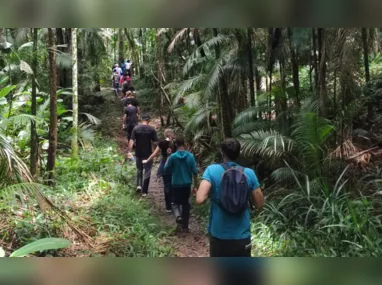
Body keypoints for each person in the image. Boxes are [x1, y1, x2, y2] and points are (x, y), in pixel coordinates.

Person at [195, 138, 264, 257]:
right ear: (238, 153)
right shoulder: (249, 173)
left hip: (218, 234)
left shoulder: (212, 170)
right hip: (242, 235)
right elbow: (259, 203)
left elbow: (200, 199)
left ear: (222, 152)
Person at [164, 137, 198, 233]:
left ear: (175, 145)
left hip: (176, 184)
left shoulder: (173, 157)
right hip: (187, 184)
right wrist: (195, 186)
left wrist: (168, 156)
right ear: (185, 144)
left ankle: (178, 216)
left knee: (175, 203)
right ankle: (185, 227)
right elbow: (195, 172)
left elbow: (166, 169)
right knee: (185, 204)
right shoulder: (190, 156)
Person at [143, 129, 177, 213]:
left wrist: (147, 161)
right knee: (174, 184)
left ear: (165, 134)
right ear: (171, 134)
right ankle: (174, 203)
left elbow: (154, 154)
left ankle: (168, 207)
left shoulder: (161, 143)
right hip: (175, 166)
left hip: (165, 165)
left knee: (166, 185)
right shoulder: (176, 143)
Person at [129, 114, 158, 197]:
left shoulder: (136, 128)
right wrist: (155, 153)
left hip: (138, 153)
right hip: (148, 154)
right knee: (147, 171)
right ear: (149, 120)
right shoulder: (151, 129)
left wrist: (130, 151)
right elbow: (156, 142)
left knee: (139, 169)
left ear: (141, 120)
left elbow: (131, 141)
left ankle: (139, 185)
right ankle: (145, 191)